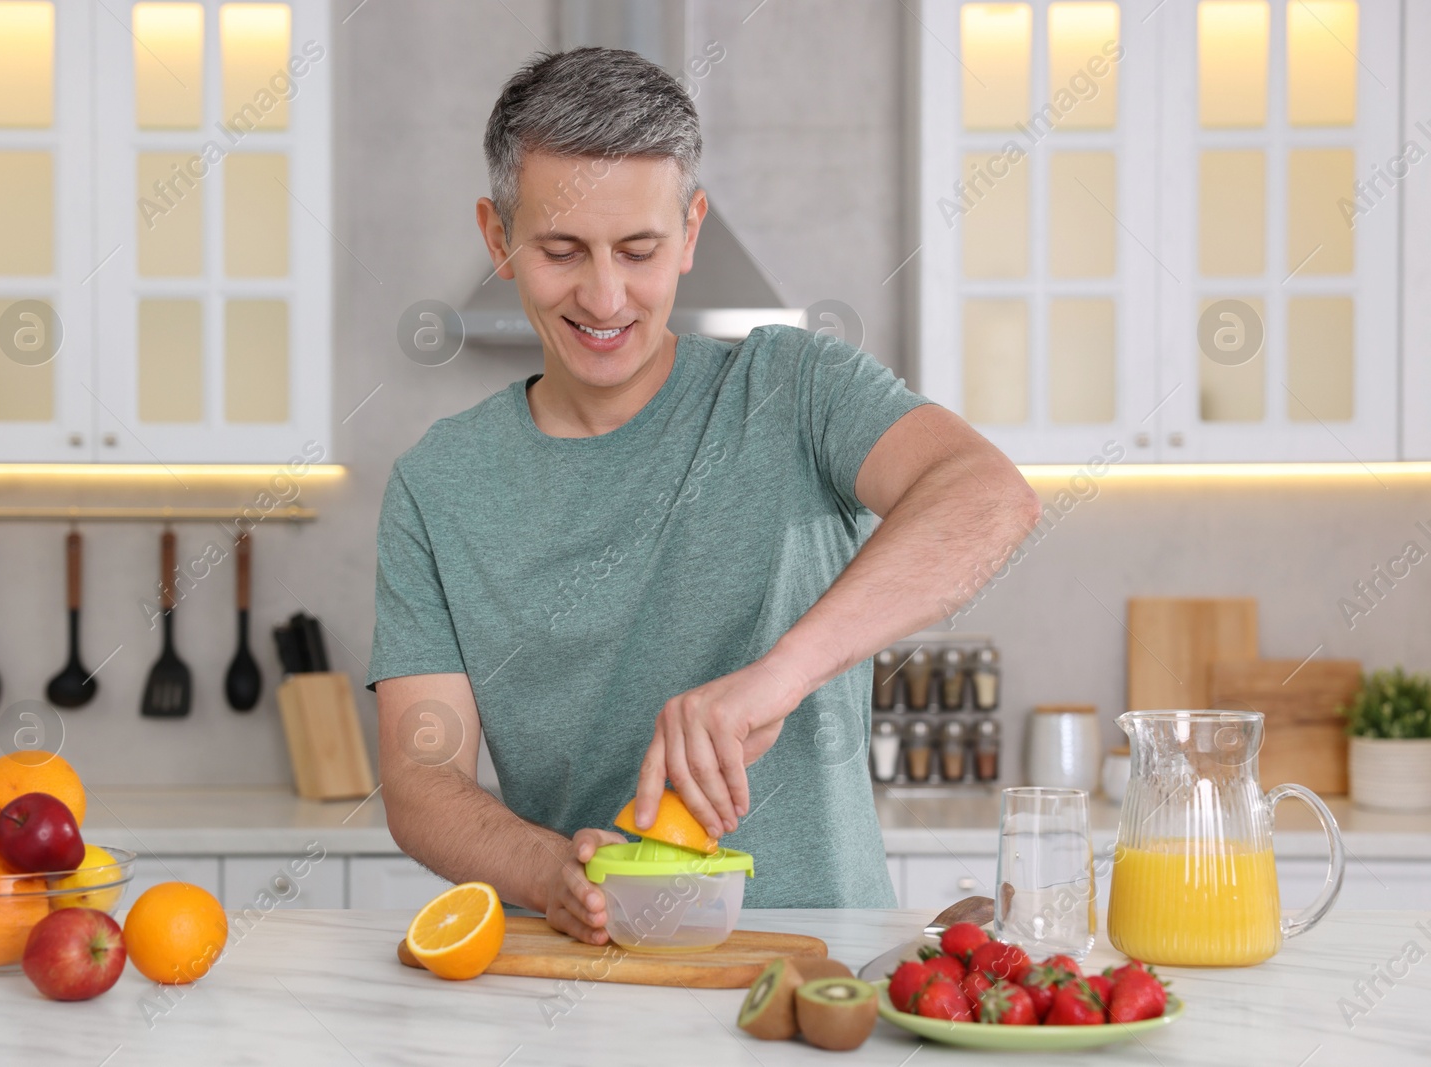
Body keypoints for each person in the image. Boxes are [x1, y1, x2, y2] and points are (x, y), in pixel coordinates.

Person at [366, 47, 1039, 945]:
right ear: (498, 240)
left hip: (823, 965)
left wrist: (779, 676)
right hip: (594, 970)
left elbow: (989, 494)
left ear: (690, 232)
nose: (604, 296)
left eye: (637, 250)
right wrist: (549, 870)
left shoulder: (795, 389)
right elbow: (422, 783)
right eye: (561, 250)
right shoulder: (436, 485)